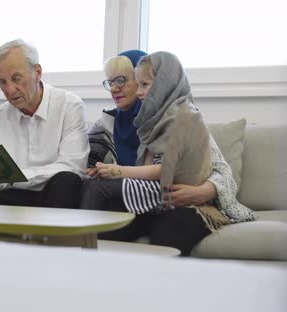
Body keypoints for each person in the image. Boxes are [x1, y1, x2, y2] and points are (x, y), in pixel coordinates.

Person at [80, 51, 256, 256]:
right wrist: (94, 169)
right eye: (110, 82)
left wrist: (204, 191)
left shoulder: (182, 115)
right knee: (96, 197)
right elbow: (86, 159)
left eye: (122, 80)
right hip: (147, 200)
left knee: (169, 231)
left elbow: (221, 170)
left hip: (182, 198)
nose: (114, 88)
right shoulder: (109, 124)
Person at [0, 39, 89, 208]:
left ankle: (35, 228)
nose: (9, 90)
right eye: (2, 82)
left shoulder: (70, 106)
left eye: (16, 78)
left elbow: (73, 167)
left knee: (66, 181)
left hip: (53, 195)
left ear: (37, 72)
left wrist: (20, 177)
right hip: (15, 197)